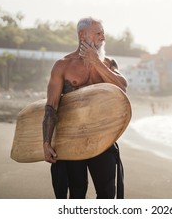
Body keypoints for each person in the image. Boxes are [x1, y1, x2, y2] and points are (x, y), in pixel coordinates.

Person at [42, 17, 128, 199]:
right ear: (82, 35)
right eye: (98, 33)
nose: (102, 37)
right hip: (72, 137)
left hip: (102, 137)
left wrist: (97, 62)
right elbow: (51, 106)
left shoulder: (108, 63)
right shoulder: (63, 65)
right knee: (76, 192)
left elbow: (122, 87)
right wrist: (46, 143)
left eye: (103, 33)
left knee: (107, 193)